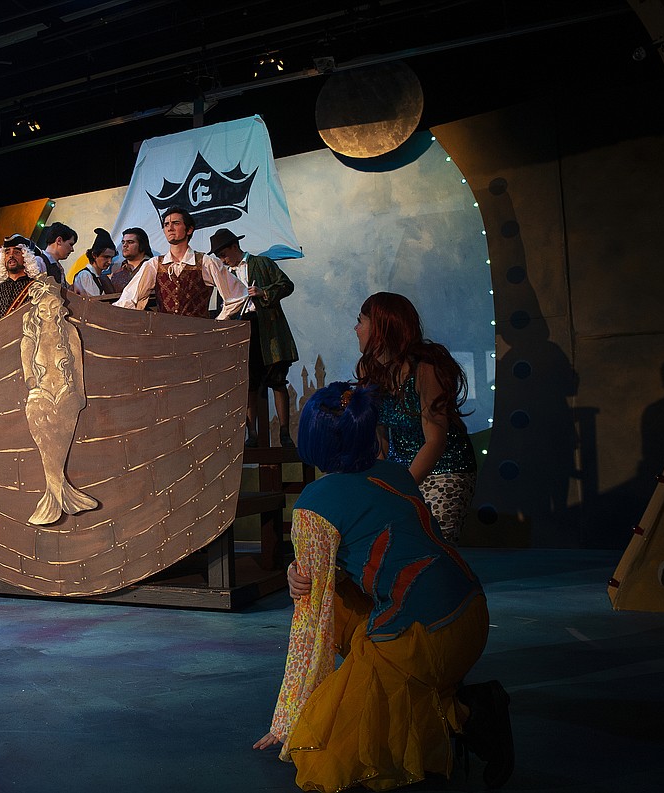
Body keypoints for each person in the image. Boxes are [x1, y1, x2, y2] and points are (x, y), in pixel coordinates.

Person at [253, 382, 513, 792]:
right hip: (473, 618)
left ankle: (468, 713)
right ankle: (456, 703)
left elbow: (312, 622)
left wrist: (290, 718)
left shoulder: (313, 502)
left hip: (421, 639)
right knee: (331, 594)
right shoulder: (396, 473)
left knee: (325, 757)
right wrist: (298, 570)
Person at [354, 292, 478, 544]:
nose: (355, 329)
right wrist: (384, 482)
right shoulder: (368, 368)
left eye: (361, 321)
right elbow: (379, 438)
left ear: (381, 327)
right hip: (401, 470)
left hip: (444, 469)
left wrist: (402, 489)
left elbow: (435, 441)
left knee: (431, 545)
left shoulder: (425, 369)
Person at [209, 228, 299, 448]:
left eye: (223, 253)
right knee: (248, 383)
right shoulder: (224, 274)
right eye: (219, 256)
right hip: (241, 329)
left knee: (277, 380)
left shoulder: (262, 263)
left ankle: (285, 433)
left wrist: (263, 292)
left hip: (267, 327)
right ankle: (252, 434)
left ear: (233, 246)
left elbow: (287, 285)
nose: (222, 259)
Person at [113, 206, 249, 319]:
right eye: (166, 224)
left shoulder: (205, 262)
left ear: (189, 229)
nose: (170, 228)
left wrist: (219, 321)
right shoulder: (154, 264)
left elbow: (238, 295)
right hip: (165, 337)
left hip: (198, 338)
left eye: (176, 223)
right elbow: (129, 298)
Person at [72, 228, 118, 297]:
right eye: (106, 257)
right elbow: (93, 302)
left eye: (111, 258)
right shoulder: (85, 275)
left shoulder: (100, 277)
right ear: (94, 255)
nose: (110, 262)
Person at [109, 227, 152, 294]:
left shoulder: (154, 268)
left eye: (130, 242)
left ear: (142, 245)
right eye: (123, 242)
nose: (125, 245)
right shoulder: (116, 274)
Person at [36, 221, 77, 286]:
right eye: (70, 244)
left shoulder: (58, 267)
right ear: (59, 241)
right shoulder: (39, 262)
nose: (72, 250)